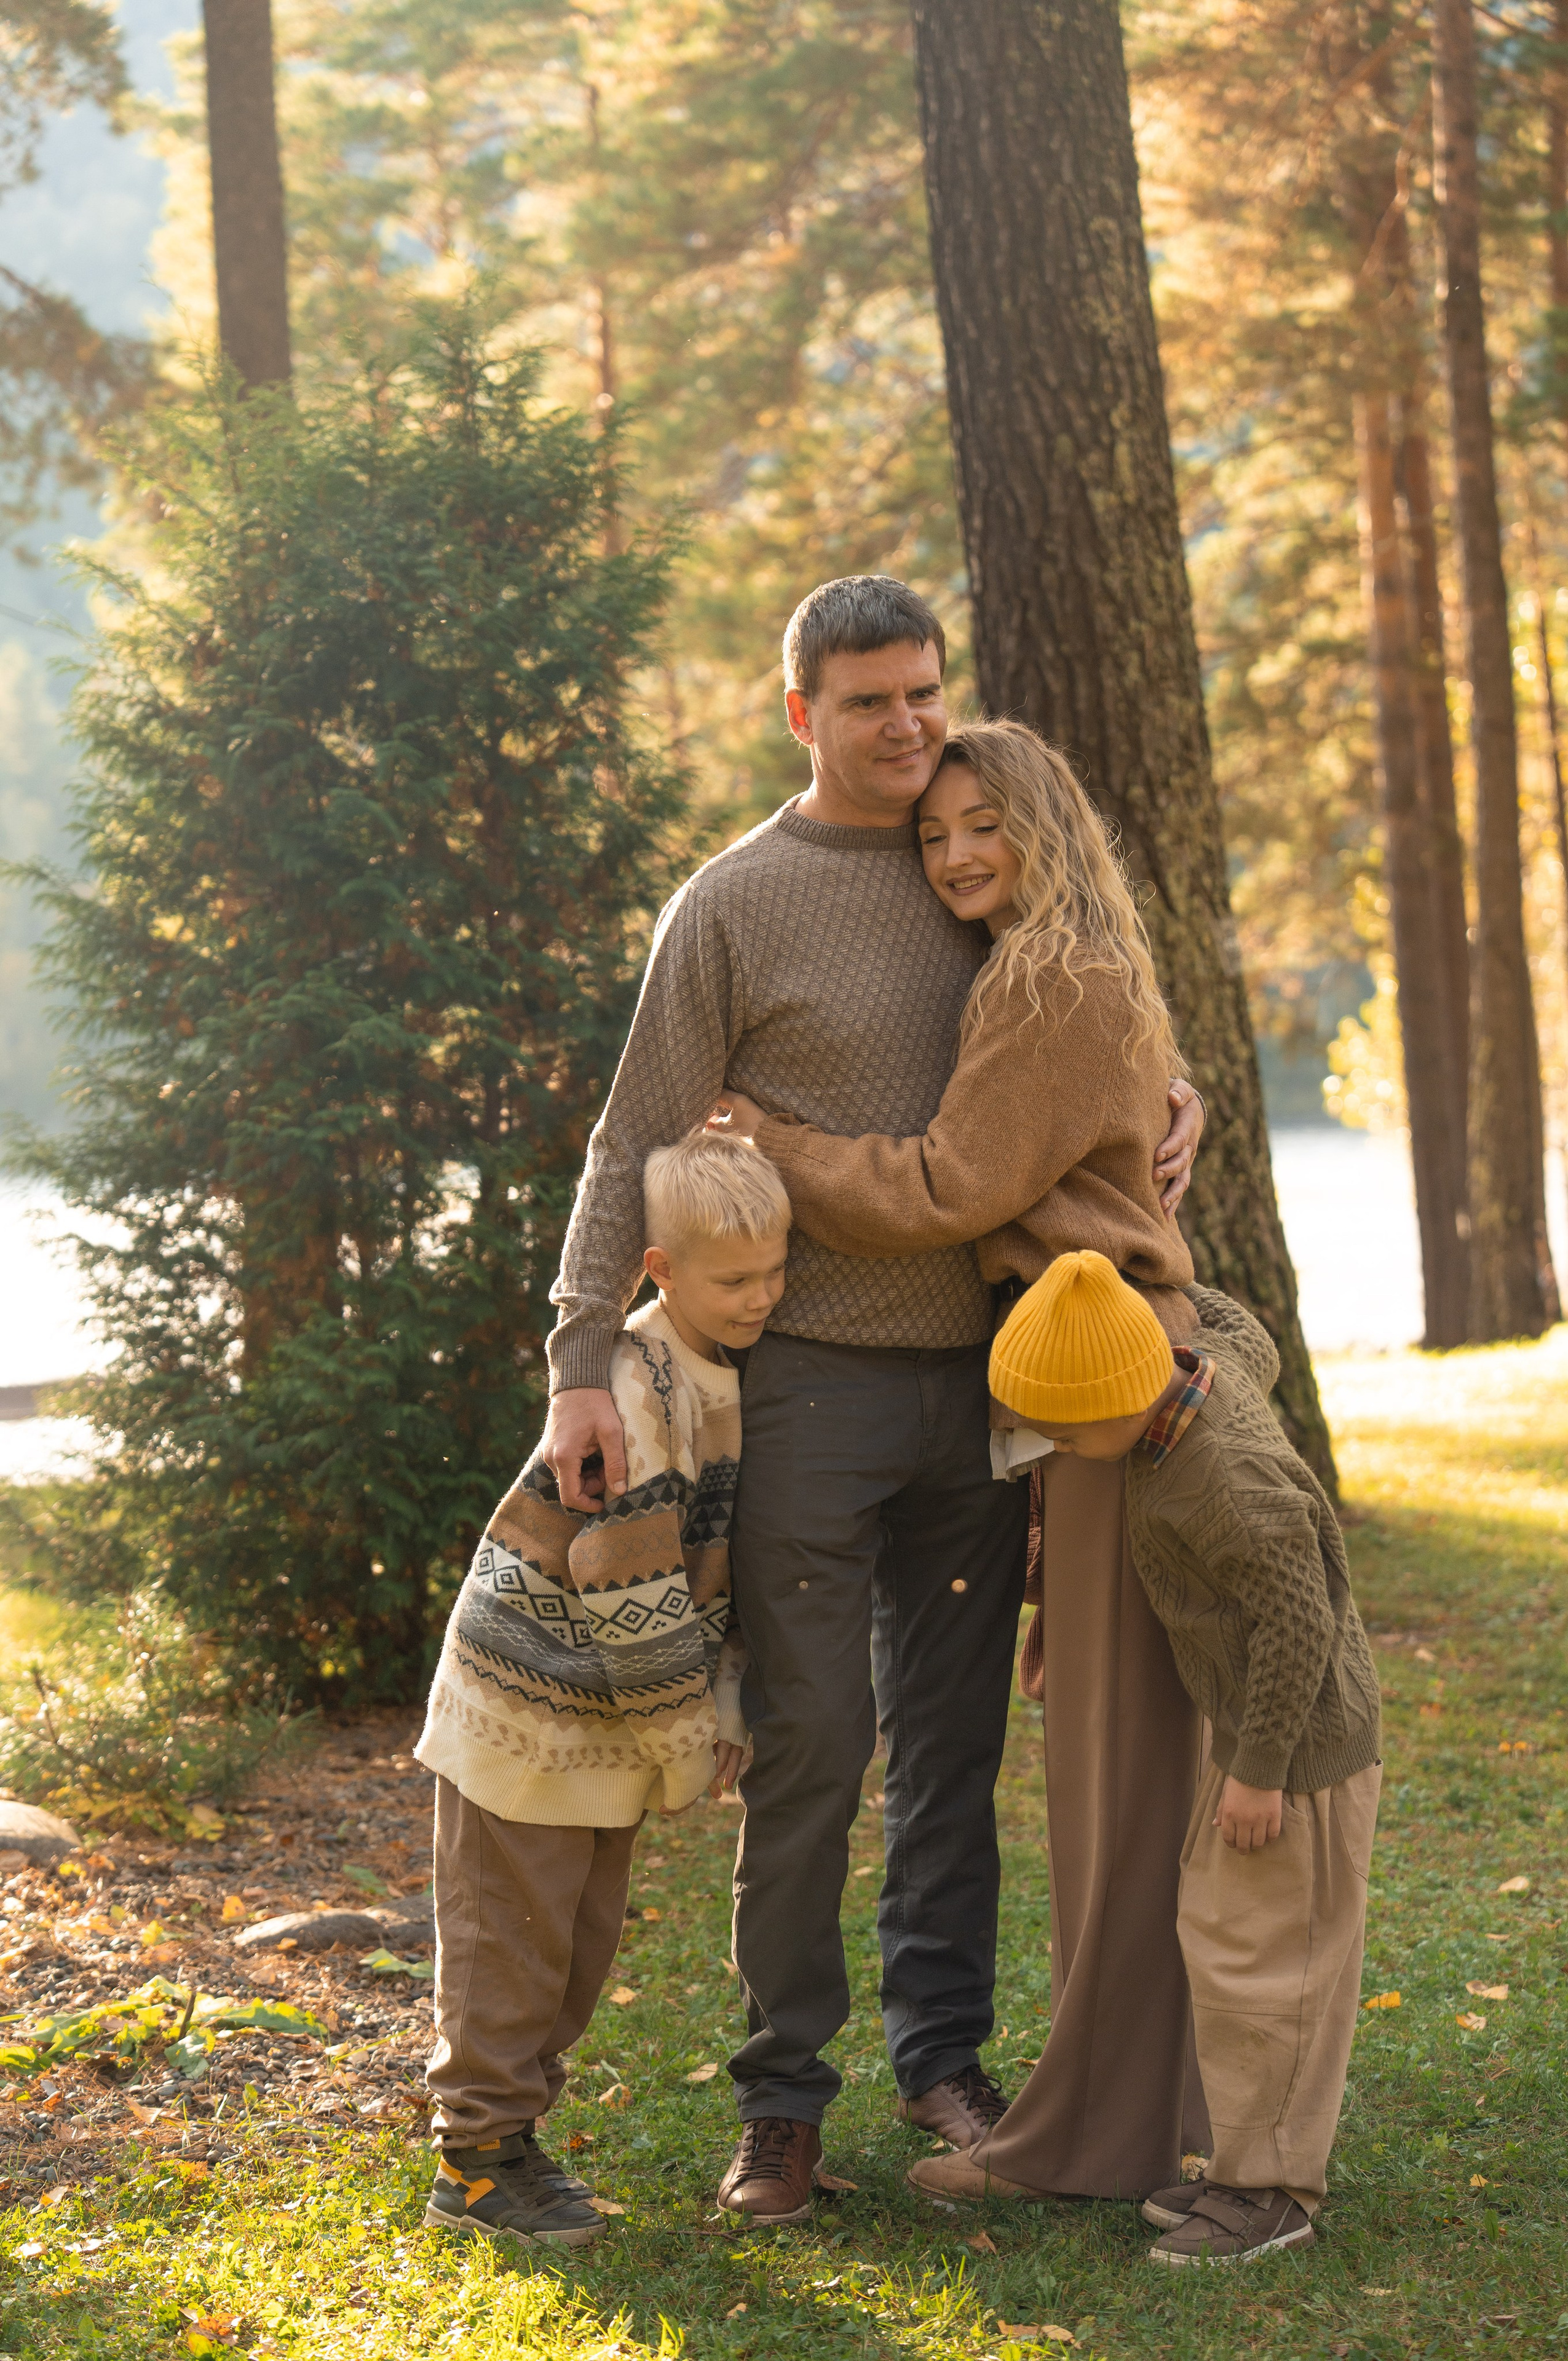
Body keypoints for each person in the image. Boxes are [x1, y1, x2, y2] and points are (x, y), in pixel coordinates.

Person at [540, 576, 1205, 2224]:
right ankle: (779, 2112)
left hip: (987, 1395)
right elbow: (634, 1140)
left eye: (923, 691)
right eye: (867, 703)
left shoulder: (978, 861)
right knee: (818, 1746)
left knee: (956, 1751)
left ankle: (945, 2061)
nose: (907, 727)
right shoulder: (734, 905)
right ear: (801, 716)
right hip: (817, 1395)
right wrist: (575, 1354)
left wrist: (1167, 1087)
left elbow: (1084, 1018)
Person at [715, 717, 1213, 2197]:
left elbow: (949, 1184)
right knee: (938, 1758)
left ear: (1043, 818)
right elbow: (1122, 1120)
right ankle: (833, 2106)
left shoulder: (1045, 974)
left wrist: (774, 1140)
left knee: (1051, 1766)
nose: (954, 853)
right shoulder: (1051, 958)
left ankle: (1047, 2105)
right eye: (935, 834)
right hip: (1007, 1382)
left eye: (981, 823)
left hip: (1071, 1385)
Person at [910, 1251, 1383, 2267]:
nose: (1066, 1450)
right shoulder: (1201, 1369)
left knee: (1270, 1964)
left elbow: (1301, 1618)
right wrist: (1151, 1277)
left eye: (1071, 1433)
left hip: (1296, 1749)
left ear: (1128, 1394)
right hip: (1256, 1731)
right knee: (1222, 1934)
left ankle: (1273, 2194)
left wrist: (1259, 1769)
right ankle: (1241, 2167)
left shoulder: (1226, 1480)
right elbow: (1236, 1324)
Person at [414, 1131, 786, 2252]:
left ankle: (514, 2140)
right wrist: (688, 1740)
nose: (763, 1297)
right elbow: (625, 1578)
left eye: (776, 1272)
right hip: (526, 1710)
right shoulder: (634, 1376)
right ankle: (475, 2162)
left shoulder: (728, 1363)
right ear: (662, 1269)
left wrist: (713, 1710)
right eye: (735, 1281)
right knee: (510, 1940)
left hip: (605, 1725)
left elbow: (717, 1566)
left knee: (576, 1945)